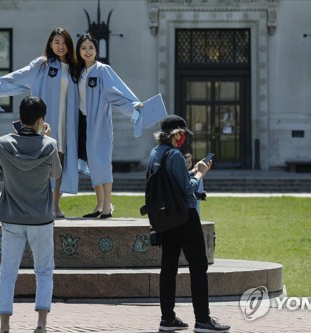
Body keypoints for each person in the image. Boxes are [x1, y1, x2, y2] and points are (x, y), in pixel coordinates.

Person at [0, 27, 78, 218]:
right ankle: (43, 204)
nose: (60, 46)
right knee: (44, 162)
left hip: (67, 121)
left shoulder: (75, 68)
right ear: (50, 44)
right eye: (56, 42)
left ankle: (56, 205)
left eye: (64, 42)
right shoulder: (42, 65)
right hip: (44, 119)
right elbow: (20, 75)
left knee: (60, 162)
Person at [148, 115, 230, 332]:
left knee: (168, 267)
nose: (184, 137)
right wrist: (201, 174)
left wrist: (191, 172)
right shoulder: (174, 154)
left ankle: (168, 319)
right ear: (175, 134)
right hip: (184, 216)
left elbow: (174, 181)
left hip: (165, 218)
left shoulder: (155, 153)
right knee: (198, 265)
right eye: (182, 133)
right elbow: (187, 189)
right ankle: (203, 319)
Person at [0, 96, 62, 333]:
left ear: (20, 118)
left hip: (11, 215)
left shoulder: (2, 143)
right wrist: (45, 137)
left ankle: (4, 325)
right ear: (41, 119)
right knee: (43, 271)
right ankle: (41, 324)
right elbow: (55, 174)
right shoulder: (50, 144)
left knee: (7, 272)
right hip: (41, 217)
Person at [75, 33, 142, 219]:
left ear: (96, 50)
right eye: (83, 48)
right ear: (78, 51)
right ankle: (99, 204)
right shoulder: (79, 72)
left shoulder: (103, 70)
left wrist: (134, 105)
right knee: (91, 163)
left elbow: (118, 91)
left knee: (102, 162)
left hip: (99, 122)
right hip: (82, 122)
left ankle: (107, 206)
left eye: (91, 48)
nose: (87, 51)